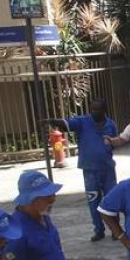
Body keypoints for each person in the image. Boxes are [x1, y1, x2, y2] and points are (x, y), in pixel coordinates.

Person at [44, 97, 118, 241]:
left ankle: (115, 230)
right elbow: (66, 123)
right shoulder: (83, 122)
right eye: (92, 109)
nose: (94, 112)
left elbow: (115, 142)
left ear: (104, 110)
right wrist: (52, 121)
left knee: (111, 200)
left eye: (98, 109)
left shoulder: (111, 124)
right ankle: (99, 229)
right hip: (89, 169)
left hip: (107, 168)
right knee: (93, 201)